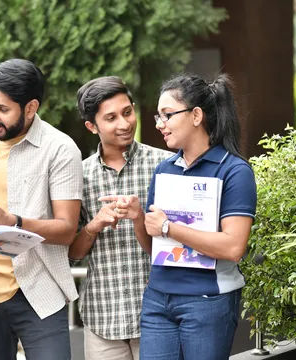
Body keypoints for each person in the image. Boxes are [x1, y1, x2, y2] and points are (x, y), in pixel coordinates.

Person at [105, 73, 257, 360]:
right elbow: (155, 247)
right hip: (158, 300)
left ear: (196, 115)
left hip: (208, 301)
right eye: (158, 117)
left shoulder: (234, 171)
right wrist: (140, 218)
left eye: (167, 115)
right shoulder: (165, 170)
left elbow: (233, 247)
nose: (160, 124)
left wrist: (168, 227)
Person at [0, 59, 84, 360]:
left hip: (38, 291)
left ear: (31, 107)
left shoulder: (60, 149)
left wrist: (14, 221)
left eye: (3, 109)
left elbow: (66, 229)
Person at [69, 76, 173, 360]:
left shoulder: (165, 165)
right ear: (92, 126)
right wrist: (94, 225)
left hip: (158, 315)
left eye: (128, 112)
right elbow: (73, 254)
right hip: (103, 317)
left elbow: (177, 243)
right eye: (111, 117)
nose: (124, 124)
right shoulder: (79, 175)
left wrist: (140, 218)